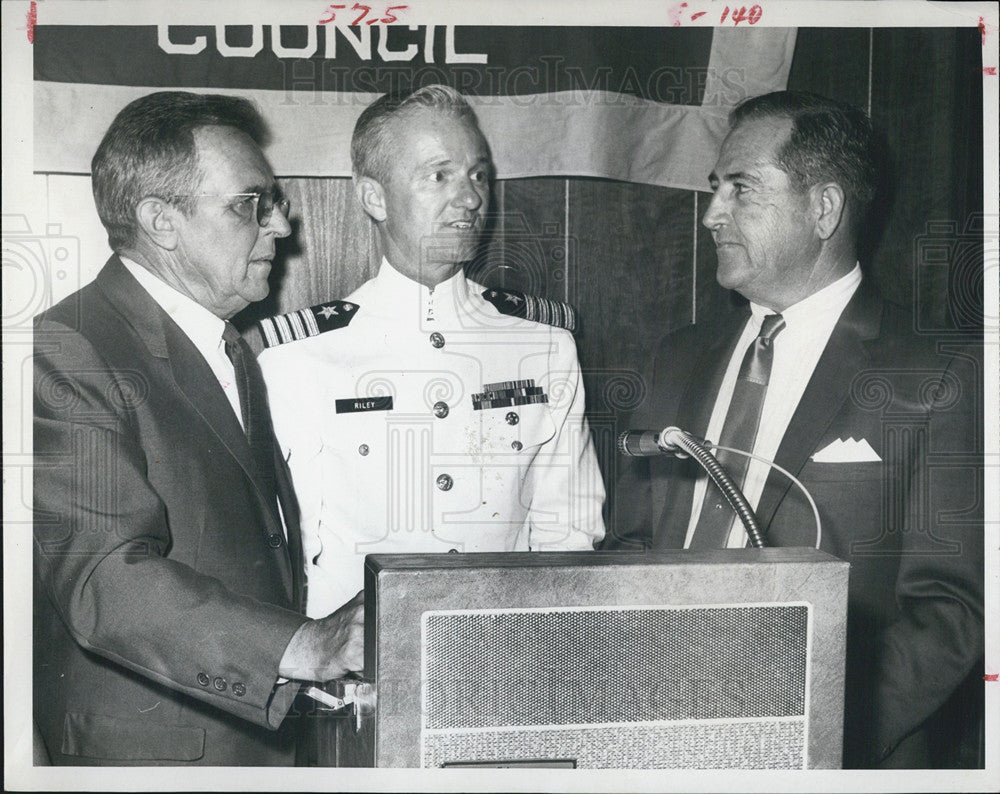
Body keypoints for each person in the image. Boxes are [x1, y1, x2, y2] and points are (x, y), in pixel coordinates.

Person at [605, 91, 983, 768]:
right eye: (714, 189)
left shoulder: (944, 373)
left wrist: (798, 735)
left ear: (824, 209)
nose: (711, 214)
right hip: (655, 735)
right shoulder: (677, 358)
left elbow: (949, 612)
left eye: (741, 189)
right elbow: (629, 546)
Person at [32, 91, 364, 766]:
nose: (279, 226)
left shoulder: (224, 342)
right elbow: (105, 577)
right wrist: (303, 646)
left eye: (273, 203)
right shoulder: (66, 349)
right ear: (161, 220)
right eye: (249, 204)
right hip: (151, 760)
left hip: (243, 740)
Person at [258, 84, 606, 622]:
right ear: (374, 197)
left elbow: (570, 533)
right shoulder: (297, 358)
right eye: (438, 176)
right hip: (356, 677)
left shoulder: (543, 346)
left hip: (505, 665)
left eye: (477, 175)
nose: (469, 198)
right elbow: (289, 553)